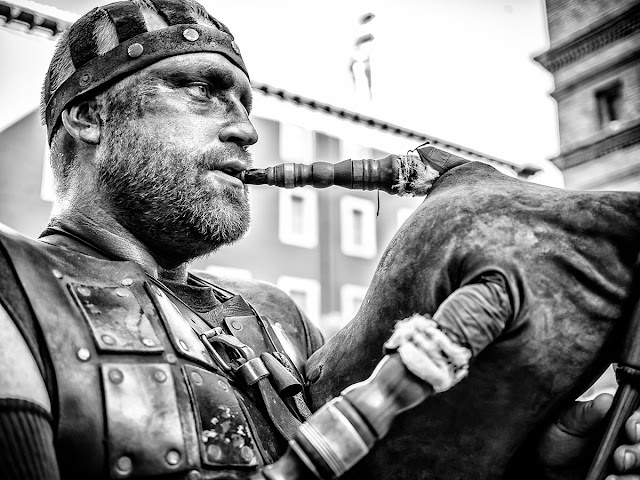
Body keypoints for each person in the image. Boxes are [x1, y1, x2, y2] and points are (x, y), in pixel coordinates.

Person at [0, 1, 638, 479]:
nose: (246, 131)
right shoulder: (13, 282)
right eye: (203, 92)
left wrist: (531, 461)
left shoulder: (273, 317)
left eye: (246, 104)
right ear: (87, 115)